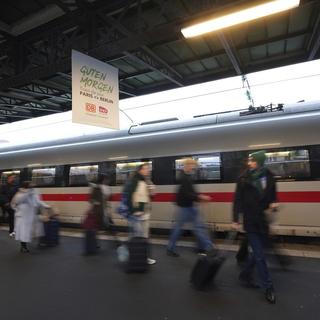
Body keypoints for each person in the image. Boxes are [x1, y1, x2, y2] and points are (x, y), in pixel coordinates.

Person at [232, 150, 277, 304]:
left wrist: (274, 205)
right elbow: (237, 200)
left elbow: (273, 195)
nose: (249, 163)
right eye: (249, 160)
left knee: (258, 254)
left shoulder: (269, 175)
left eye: (252, 160)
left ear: (260, 161)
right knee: (260, 255)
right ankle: (268, 287)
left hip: (263, 221)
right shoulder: (243, 178)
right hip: (250, 221)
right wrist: (235, 219)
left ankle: (244, 275)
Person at [167, 158, 215, 257]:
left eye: (194, 165)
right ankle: (208, 248)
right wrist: (199, 197)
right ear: (187, 165)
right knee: (183, 228)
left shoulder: (188, 176)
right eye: (192, 165)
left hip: (189, 206)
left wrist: (199, 197)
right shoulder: (184, 177)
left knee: (196, 227)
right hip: (185, 207)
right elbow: (187, 193)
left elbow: (191, 191)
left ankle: (208, 247)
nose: (194, 167)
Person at [126, 163, 156, 265]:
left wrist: (151, 192)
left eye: (148, 169)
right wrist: (135, 210)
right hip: (136, 215)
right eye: (146, 169)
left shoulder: (147, 181)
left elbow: (150, 196)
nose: (148, 170)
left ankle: (143, 258)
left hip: (145, 214)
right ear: (140, 170)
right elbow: (129, 196)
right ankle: (133, 258)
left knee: (144, 237)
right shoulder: (134, 181)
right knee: (137, 237)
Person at [11, 181, 50, 253]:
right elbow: (18, 201)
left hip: (30, 214)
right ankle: (23, 246)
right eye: (31, 185)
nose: (33, 186)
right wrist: (28, 193)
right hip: (22, 215)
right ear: (26, 186)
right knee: (23, 231)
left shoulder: (34, 192)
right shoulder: (20, 192)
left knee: (29, 231)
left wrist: (46, 206)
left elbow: (38, 201)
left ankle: (26, 245)